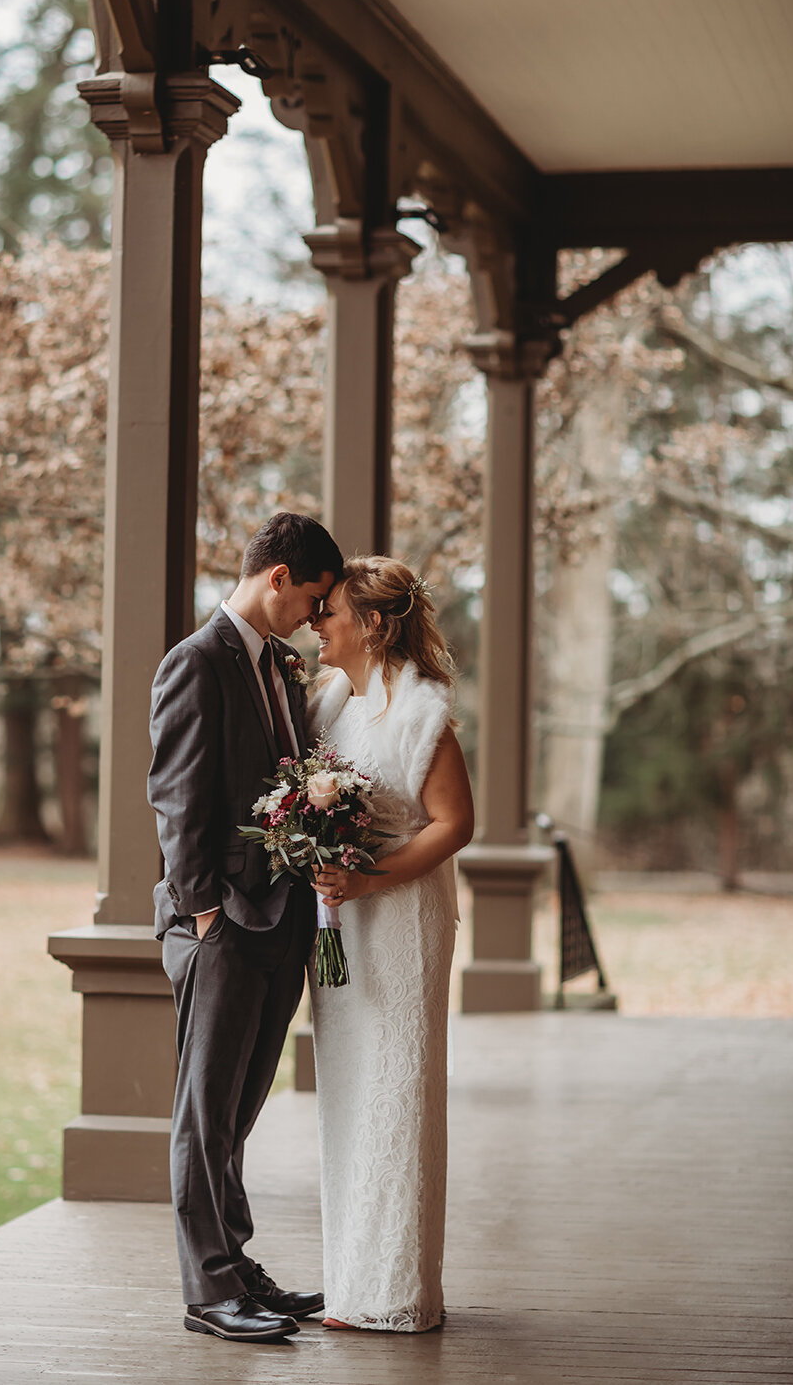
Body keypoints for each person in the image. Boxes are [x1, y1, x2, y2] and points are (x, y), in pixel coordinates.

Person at [149, 512, 344, 1343]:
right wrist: (202, 916)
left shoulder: (282, 667)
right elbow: (178, 798)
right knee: (204, 1112)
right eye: (313, 595)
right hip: (220, 926)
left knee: (236, 1111)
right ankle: (210, 1291)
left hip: (281, 921)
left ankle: (236, 1265)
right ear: (278, 577)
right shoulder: (194, 663)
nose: (316, 613)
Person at [308, 555, 474, 1332]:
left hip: (403, 919)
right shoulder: (331, 706)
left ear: (373, 624)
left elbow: (455, 823)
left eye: (330, 612)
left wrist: (374, 880)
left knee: (396, 1093)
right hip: (342, 928)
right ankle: (351, 1280)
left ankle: (400, 1291)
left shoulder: (419, 712)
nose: (317, 624)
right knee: (348, 1095)